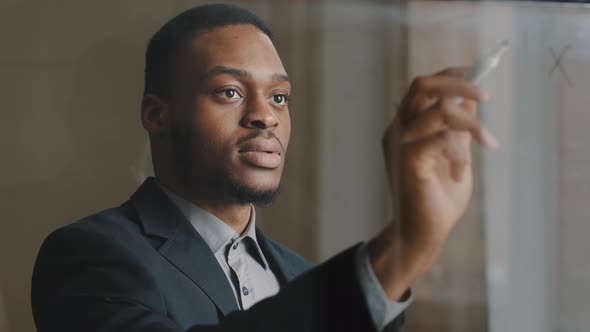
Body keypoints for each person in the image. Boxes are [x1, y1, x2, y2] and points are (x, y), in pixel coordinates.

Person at [31, 4, 497, 332]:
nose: (266, 115)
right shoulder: (88, 256)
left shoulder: (302, 277)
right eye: (230, 91)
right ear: (156, 115)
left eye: (279, 97)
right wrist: (404, 248)